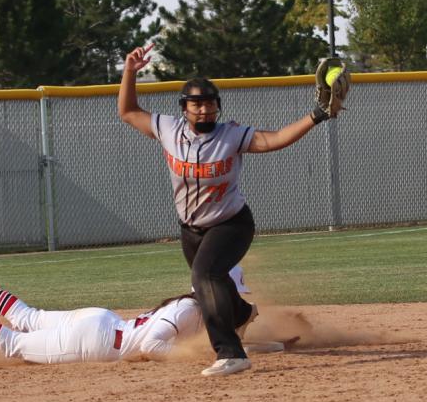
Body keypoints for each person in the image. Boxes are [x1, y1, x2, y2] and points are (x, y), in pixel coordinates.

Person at [117, 45, 332, 377]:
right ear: (184, 108)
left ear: (217, 107)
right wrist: (130, 70)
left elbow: (276, 139)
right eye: (195, 104)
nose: (203, 110)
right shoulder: (168, 130)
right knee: (213, 285)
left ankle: (231, 352)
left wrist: (316, 115)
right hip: (191, 229)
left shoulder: (231, 135)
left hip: (231, 224)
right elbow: (128, 111)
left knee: (205, 277)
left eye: (209, 103)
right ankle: (243, 316)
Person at [0, 264, 285, 365]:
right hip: (100, 342)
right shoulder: (190, 310)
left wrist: (266, 346)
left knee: (25, 316)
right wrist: (191, 356)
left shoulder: (190, 304)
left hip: (103, 323)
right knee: (12, 343)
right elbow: (153, 346)